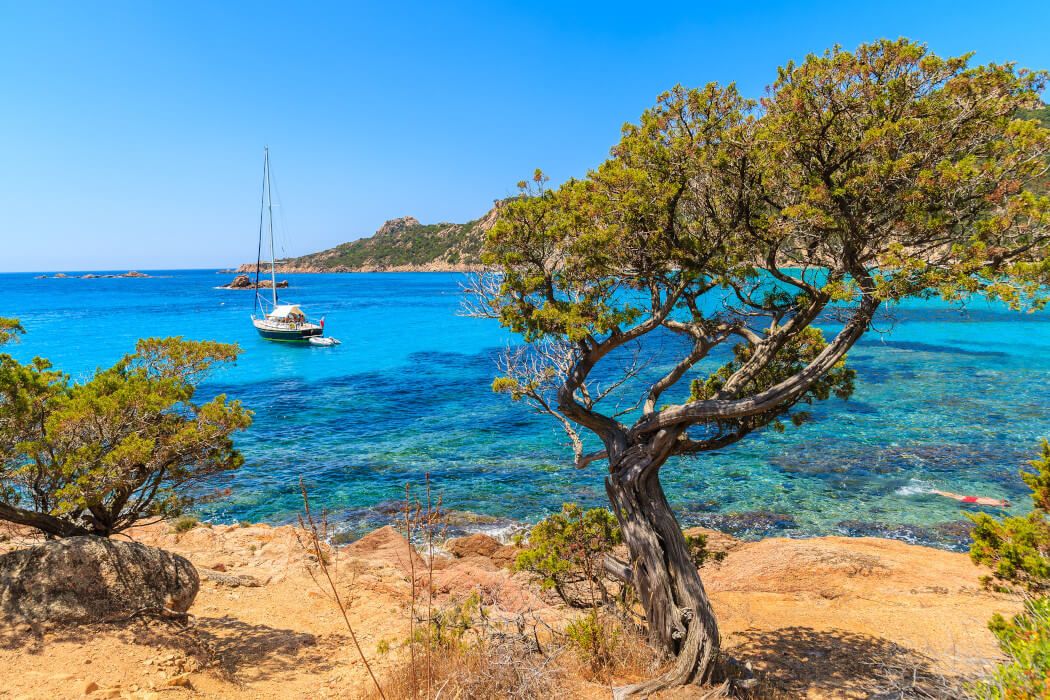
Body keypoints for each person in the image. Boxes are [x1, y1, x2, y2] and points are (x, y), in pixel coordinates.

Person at [931, 490, 1010, 508]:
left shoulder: (995, 500)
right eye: (1004, 506)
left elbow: (986, 498)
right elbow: (984, 503)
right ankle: (938, 492)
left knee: (955, 495)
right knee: (954, 497)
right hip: (973, 501)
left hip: (974, 498)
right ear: (1003, 504)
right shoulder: (996, 504)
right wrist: (977, 505)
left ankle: (939, 491)